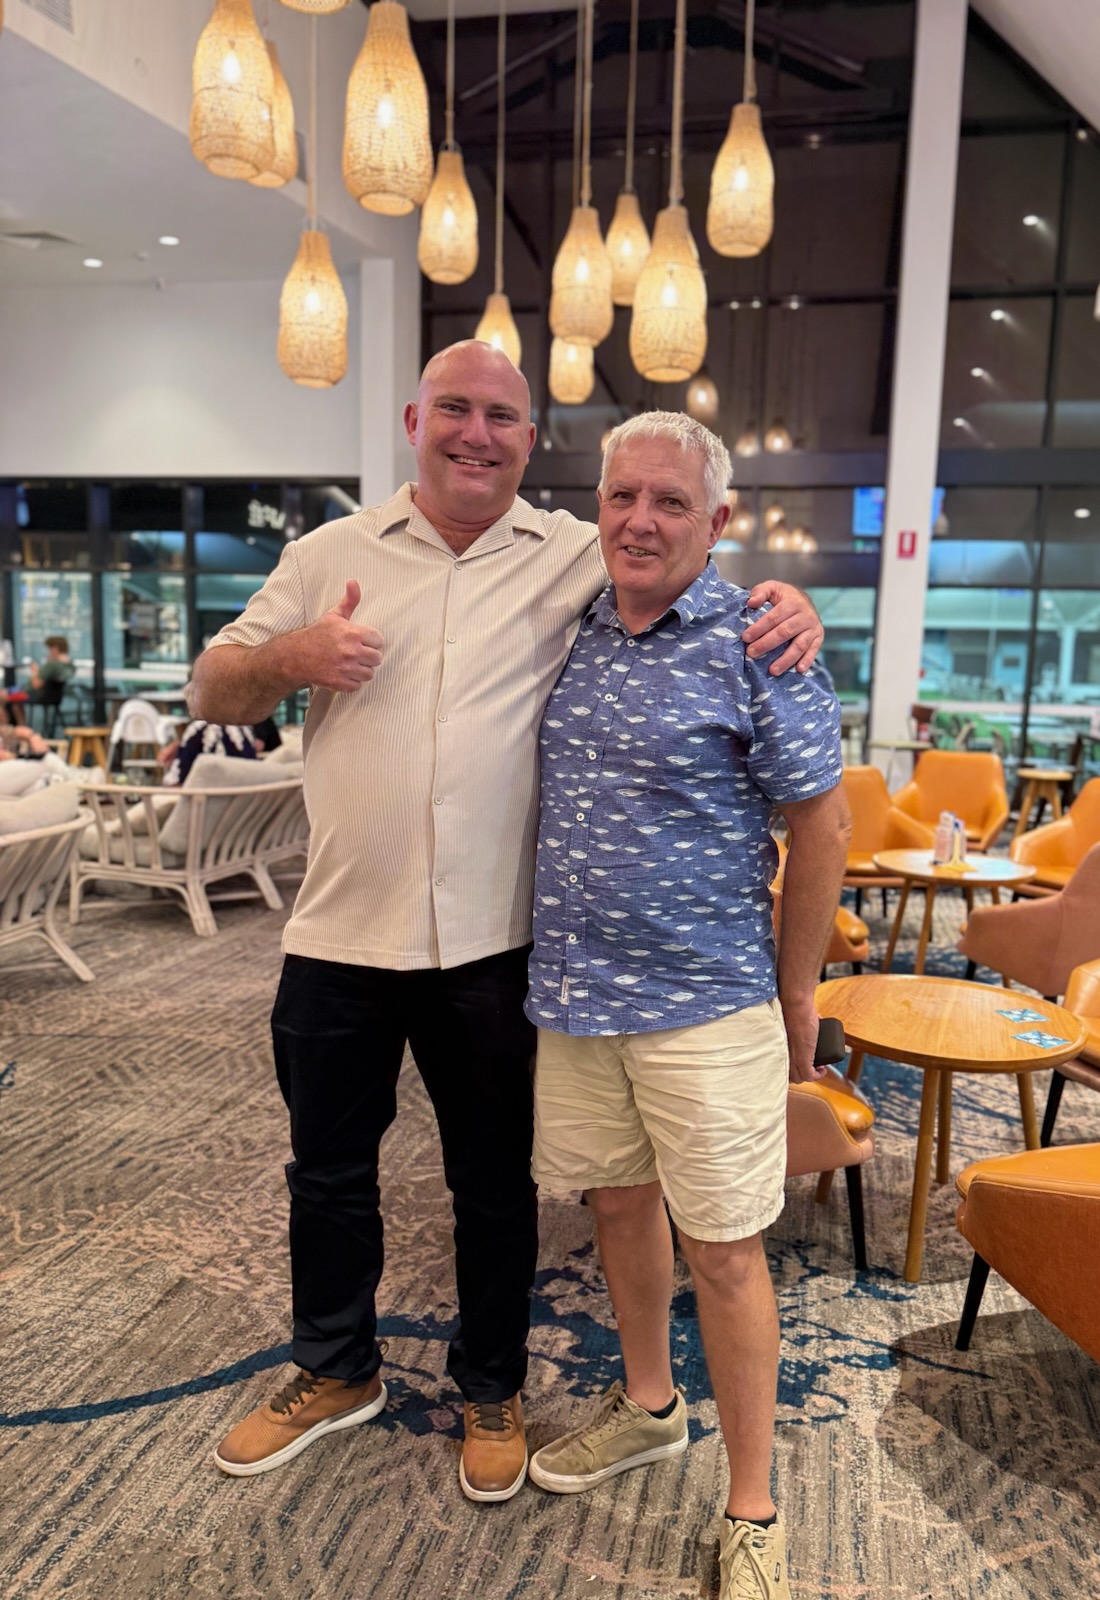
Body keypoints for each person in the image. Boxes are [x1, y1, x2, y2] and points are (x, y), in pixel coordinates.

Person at [189, 340, 826, 1496]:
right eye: (455, 411)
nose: (476, 433)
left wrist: (791, 604)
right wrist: (297, 654)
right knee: (326, 1172)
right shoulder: (327, 553)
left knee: (493, 1183)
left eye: (502, 417)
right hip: (335, 935)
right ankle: (335, 1368)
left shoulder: (575, 553)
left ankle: (494, 1387)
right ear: (412, 418)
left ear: (532, 444)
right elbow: (212, 685)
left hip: (493, 947)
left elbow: (686, 561)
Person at [523, 413, 850, 1599]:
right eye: (622, 496)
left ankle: (753, 1501)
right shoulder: (573, 622)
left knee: (723, 1250)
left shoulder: (762, 642)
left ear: (717, 522)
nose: (640, 519)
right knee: (618, 1209)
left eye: (670, 501)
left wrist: (797, 985)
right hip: (574, 994)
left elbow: (822, 821)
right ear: (596, 505)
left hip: (706, 1002)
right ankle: (650, 1405)